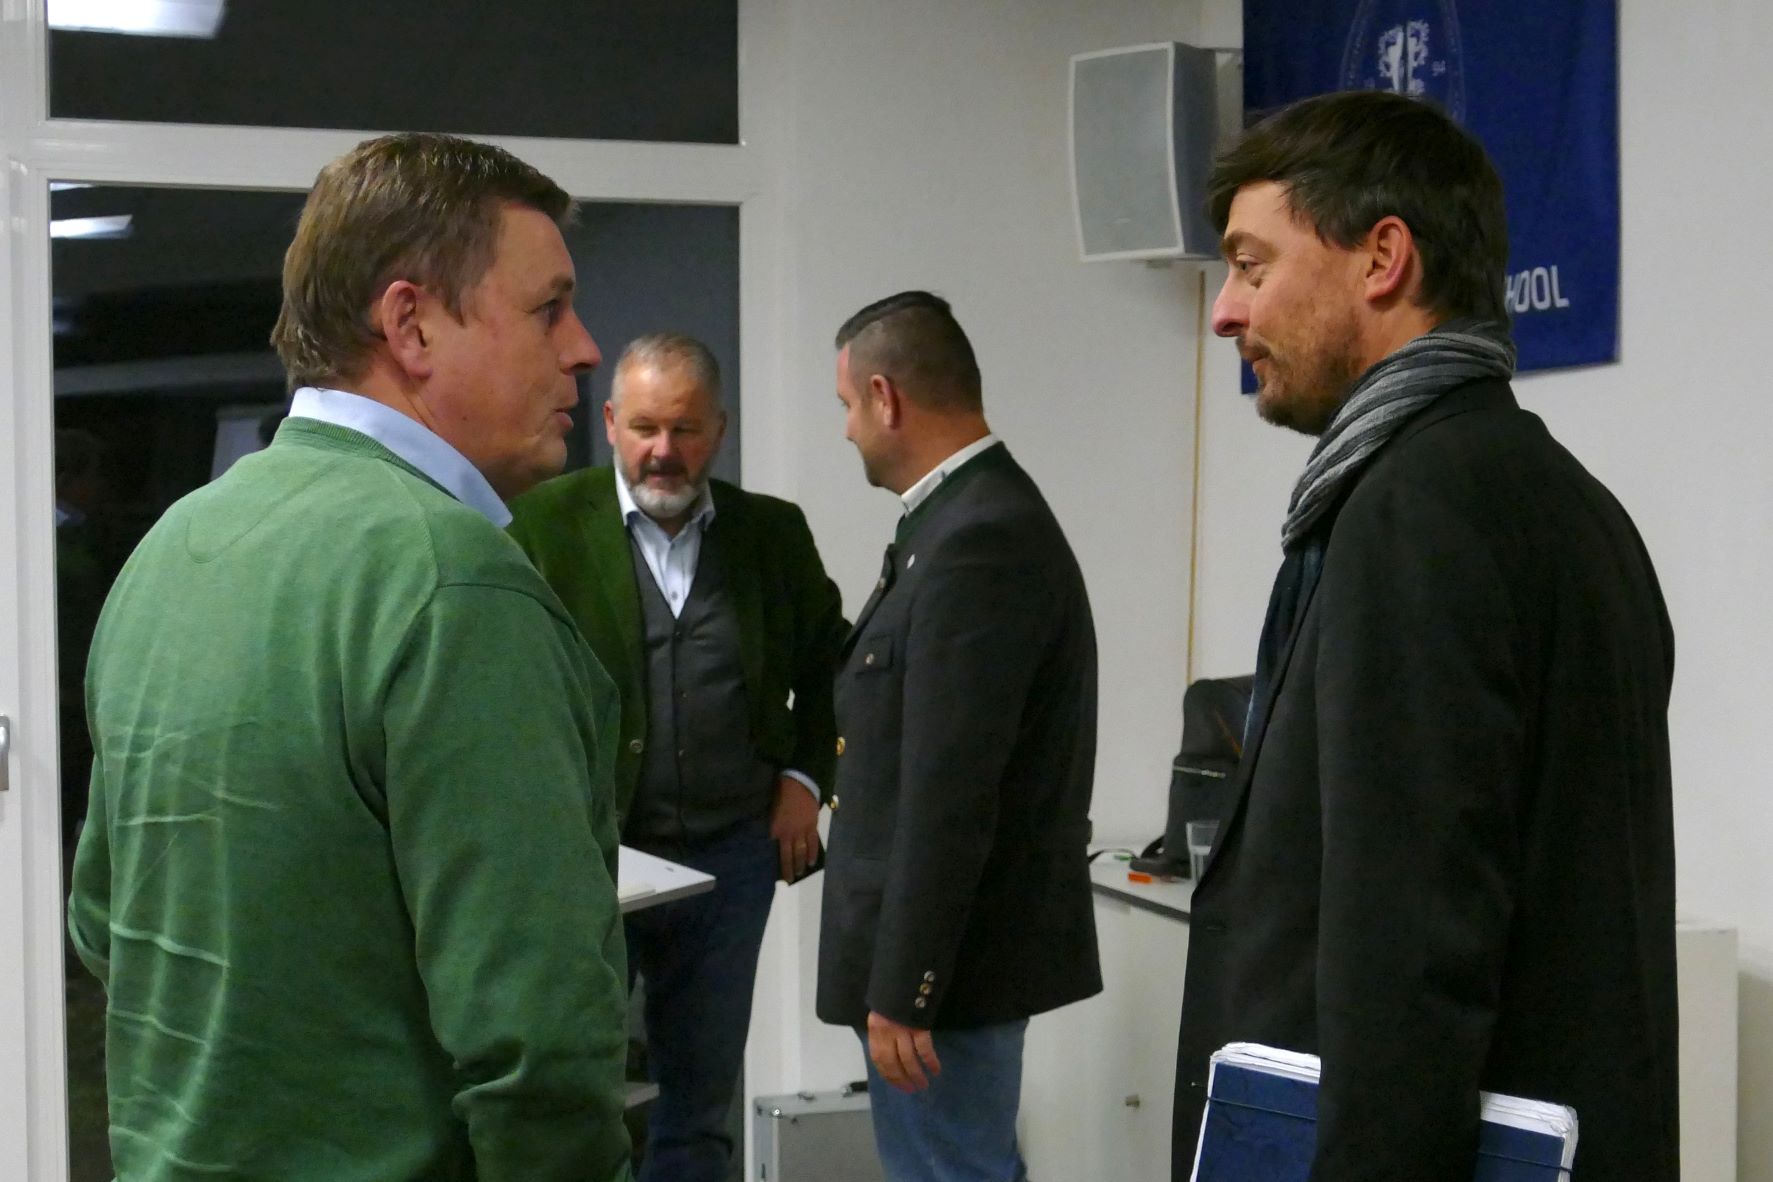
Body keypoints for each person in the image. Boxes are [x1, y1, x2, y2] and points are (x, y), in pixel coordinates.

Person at [67, 132, 634, 1181]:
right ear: (410, 325)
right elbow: (541, 1044)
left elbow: (107, 922)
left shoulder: (174, 550)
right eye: (549, 309)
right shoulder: (452, 582)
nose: (584, 347)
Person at [1172, 91, 1677, 1180]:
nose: (1225, 312)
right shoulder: (1567, 502)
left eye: (1251, 266)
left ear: (1382, 258)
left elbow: (1408, 954)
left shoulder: (1412, 513)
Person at [508, 332, 846, 1182]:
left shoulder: (771, 533)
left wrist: (806, 780)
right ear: (611, 424)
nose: (664, 450)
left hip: (731, 860)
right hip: (594, 859)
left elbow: (834, 667)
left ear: (719, 429)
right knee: (576, 1086)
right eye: (646, 428)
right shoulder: (543, 526)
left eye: (686, 429)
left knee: (698, 1102)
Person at [815, 291, 1101, 1182]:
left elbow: (950, 792)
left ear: (885, 397)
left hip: (949, 976)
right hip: (941, 965)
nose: (847, 430)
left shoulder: (980, 538)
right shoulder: (949, 522)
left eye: (847, 407)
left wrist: (908, 986)